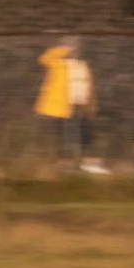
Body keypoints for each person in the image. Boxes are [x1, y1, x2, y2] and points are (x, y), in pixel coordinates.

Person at [35, 37, 105, 174]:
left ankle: (89, 163)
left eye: (76, 46)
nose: (74, 49)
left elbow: (89, 85)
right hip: (62, 106)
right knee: (63, 135)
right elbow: (44, 59)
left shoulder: (82, 65)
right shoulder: (57, 63)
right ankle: (64, 165)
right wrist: (64, 48)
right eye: (71, 46)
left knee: (87, 132)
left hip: (81, 105)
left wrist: (91, 105)